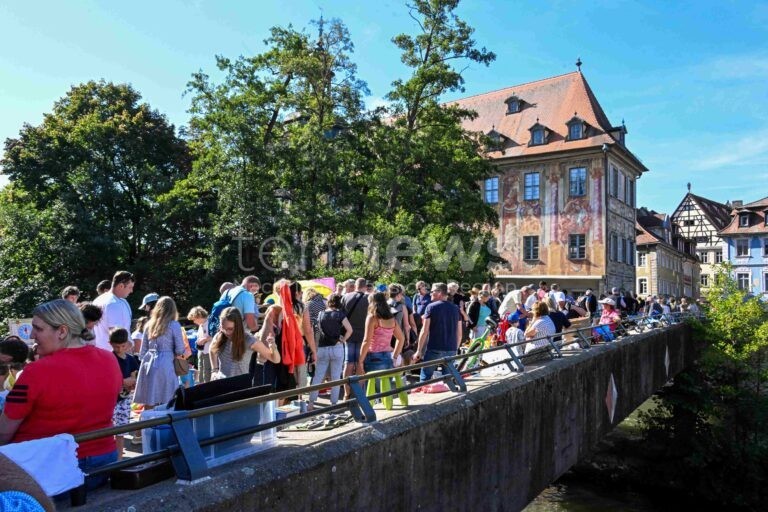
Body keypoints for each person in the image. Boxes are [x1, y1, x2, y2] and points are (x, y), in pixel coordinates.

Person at [0, 299, 122, 490]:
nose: (31, 335)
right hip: (103, 463)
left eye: (38, 329)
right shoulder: (110, 360)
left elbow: (3, 432)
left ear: (62, 331)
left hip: (47, 471)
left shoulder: (36, 371)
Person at [133, 297, 186, 409]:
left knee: (149, 398)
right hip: (167, 362)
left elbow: (143, 350)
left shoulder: (148, 325)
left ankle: (147, 425)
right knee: (167, 398)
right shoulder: (174, 325)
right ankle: (164, 424)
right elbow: (180, 349)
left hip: (148, 362)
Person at [309, 294, 352, 408]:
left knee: (318, 376)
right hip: (336, 347)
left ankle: (311, 402)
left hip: (322, 348)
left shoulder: (320, 314)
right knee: (336, 377)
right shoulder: (340, 315)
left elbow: (317, 330)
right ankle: (334, 403)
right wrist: (343, 340)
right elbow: (349, 330)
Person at [210, 307, 279, 378]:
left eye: (230, 329)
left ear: (238, 326)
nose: (226, 332)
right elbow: (211, 350)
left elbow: (275, 359)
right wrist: (214, 370)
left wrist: (273, 347)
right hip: (221, 383)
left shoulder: (249, 340)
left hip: (241, 385)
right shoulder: (219, 336)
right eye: (223, 328)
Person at [413, 283, 461, 382]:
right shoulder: (456, 309)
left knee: (425, 378)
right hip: (451, 348)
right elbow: (459, 334)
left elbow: (424, 331)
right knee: (448, 380)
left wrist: (419, 350)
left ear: (439, 293)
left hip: (435, 348)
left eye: (432, 291)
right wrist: (455, 349)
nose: (430, 294)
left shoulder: (431, 307)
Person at [358, 293, 405, 379]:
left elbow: (366, 341)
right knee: (386, 389)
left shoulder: (372, 318)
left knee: (374, 389)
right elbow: (401, 338)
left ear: (372, 303)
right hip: (388, 357)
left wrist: (360, 361)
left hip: (373, 357)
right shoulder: (392, 319)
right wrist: (395, 356)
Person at [109, 328, 139, 460]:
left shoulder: (131, 359)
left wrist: (131, 382)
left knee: (121, 430)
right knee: (109, 429)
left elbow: (133, 378)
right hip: (111, 399)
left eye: (122, 346)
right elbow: (108, 379)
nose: (120, 349)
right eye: (116, 346)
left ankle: (119, 457)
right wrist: (123, 382)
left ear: (127, 344)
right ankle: (110, 456)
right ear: (111, 344)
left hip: (125, 398)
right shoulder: (110, 358)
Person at [92, 270, 135, 352]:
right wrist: (128, 346)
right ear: (121, 286)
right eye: (130, 287)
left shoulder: (99, 299)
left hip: (99, 351)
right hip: (111, 354)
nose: (131, 291)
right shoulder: (113, 304)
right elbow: (116, 335)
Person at [340, 278, 369, 399]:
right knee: (360, 364)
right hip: (363, 335)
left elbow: (340, 316)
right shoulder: (368, 299)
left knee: (348, 364)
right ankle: (358, 393)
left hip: (349, 335)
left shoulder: (345, 297)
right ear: (365, 286)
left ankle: (347, 393)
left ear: (355, 286)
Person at [187, 306, 211, 383]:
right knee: (200, 372)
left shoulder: (210, 323)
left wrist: (205, 340)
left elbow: (216, 336)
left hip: (208, 352)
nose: (194, 322)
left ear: (199, 316)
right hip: (201, 352)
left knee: (207, 373)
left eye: (194, 319)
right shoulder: (201, 325)